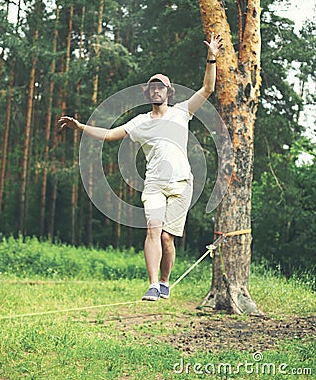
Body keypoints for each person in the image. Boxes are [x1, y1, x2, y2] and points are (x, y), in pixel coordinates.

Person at [58, 32, 222, 301]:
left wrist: (211, 57)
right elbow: (110, 135)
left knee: (168, 239)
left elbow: (208, 89)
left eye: (161, 87)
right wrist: (80, 127)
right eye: (153, 87)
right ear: (148, 93)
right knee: (153, 230)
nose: (157, 90)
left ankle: (166, 281)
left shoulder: (182, 111)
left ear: (169, 92)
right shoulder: (140, 122)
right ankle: (153, 285)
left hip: (182, 184)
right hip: (154, 185)